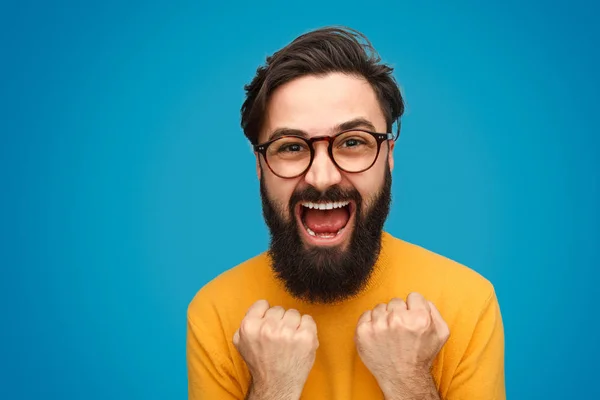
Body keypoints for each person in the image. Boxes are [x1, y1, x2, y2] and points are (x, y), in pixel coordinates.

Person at [186, 26, 505, 400]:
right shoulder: (216, 311)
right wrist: (274, 387)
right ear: (259, 164)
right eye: (290, 147)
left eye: (353, 142)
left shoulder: (466, 301)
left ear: (389, 156)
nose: (323, 176)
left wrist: (407, 380)